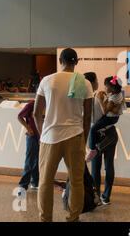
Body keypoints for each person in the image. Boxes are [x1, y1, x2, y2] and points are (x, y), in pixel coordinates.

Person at [34, 48, 93, 222]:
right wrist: (84, 139)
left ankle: (45, 219)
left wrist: (41, 136)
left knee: (45, 182)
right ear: (77, 62)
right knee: (76, 182)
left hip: (50, 137)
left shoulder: (47, 80)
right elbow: (88, 116)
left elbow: (37, 114)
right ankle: (73, 218)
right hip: (75, 136)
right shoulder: (84, 82)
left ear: (60, 60)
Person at [85, 76, 123, 162]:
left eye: (106, 86)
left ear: (112, 88)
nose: (104, 88)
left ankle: (91, 150)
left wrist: (100, 99)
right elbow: (115, 110)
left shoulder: (112, 98)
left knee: (93, 129)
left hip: (109, 120)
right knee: (108, 164)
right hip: (112, 120)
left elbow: (105, 111)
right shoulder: (117, 95)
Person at [17, 100, 40, 193]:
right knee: (29, 161)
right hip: (32, 136)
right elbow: (19, 117)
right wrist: (29, 128)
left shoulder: (50, 103)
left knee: (38, 161)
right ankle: (23, 186)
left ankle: (35, 183)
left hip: (43, 136)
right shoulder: (32, 104)